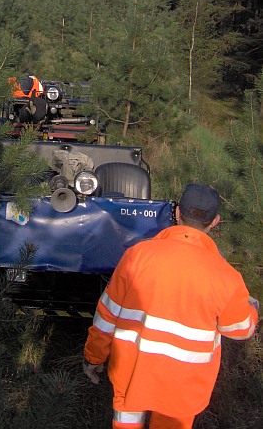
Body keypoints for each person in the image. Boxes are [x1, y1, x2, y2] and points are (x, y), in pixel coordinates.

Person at [83, 183, 259, 429]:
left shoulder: (137, 255)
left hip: (131, 374)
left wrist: (93, 358)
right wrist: (252, 308)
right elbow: (240, 330)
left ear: (177, 213)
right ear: (215, 221)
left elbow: (106, 317)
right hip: (183, 386)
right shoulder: (226, 276)